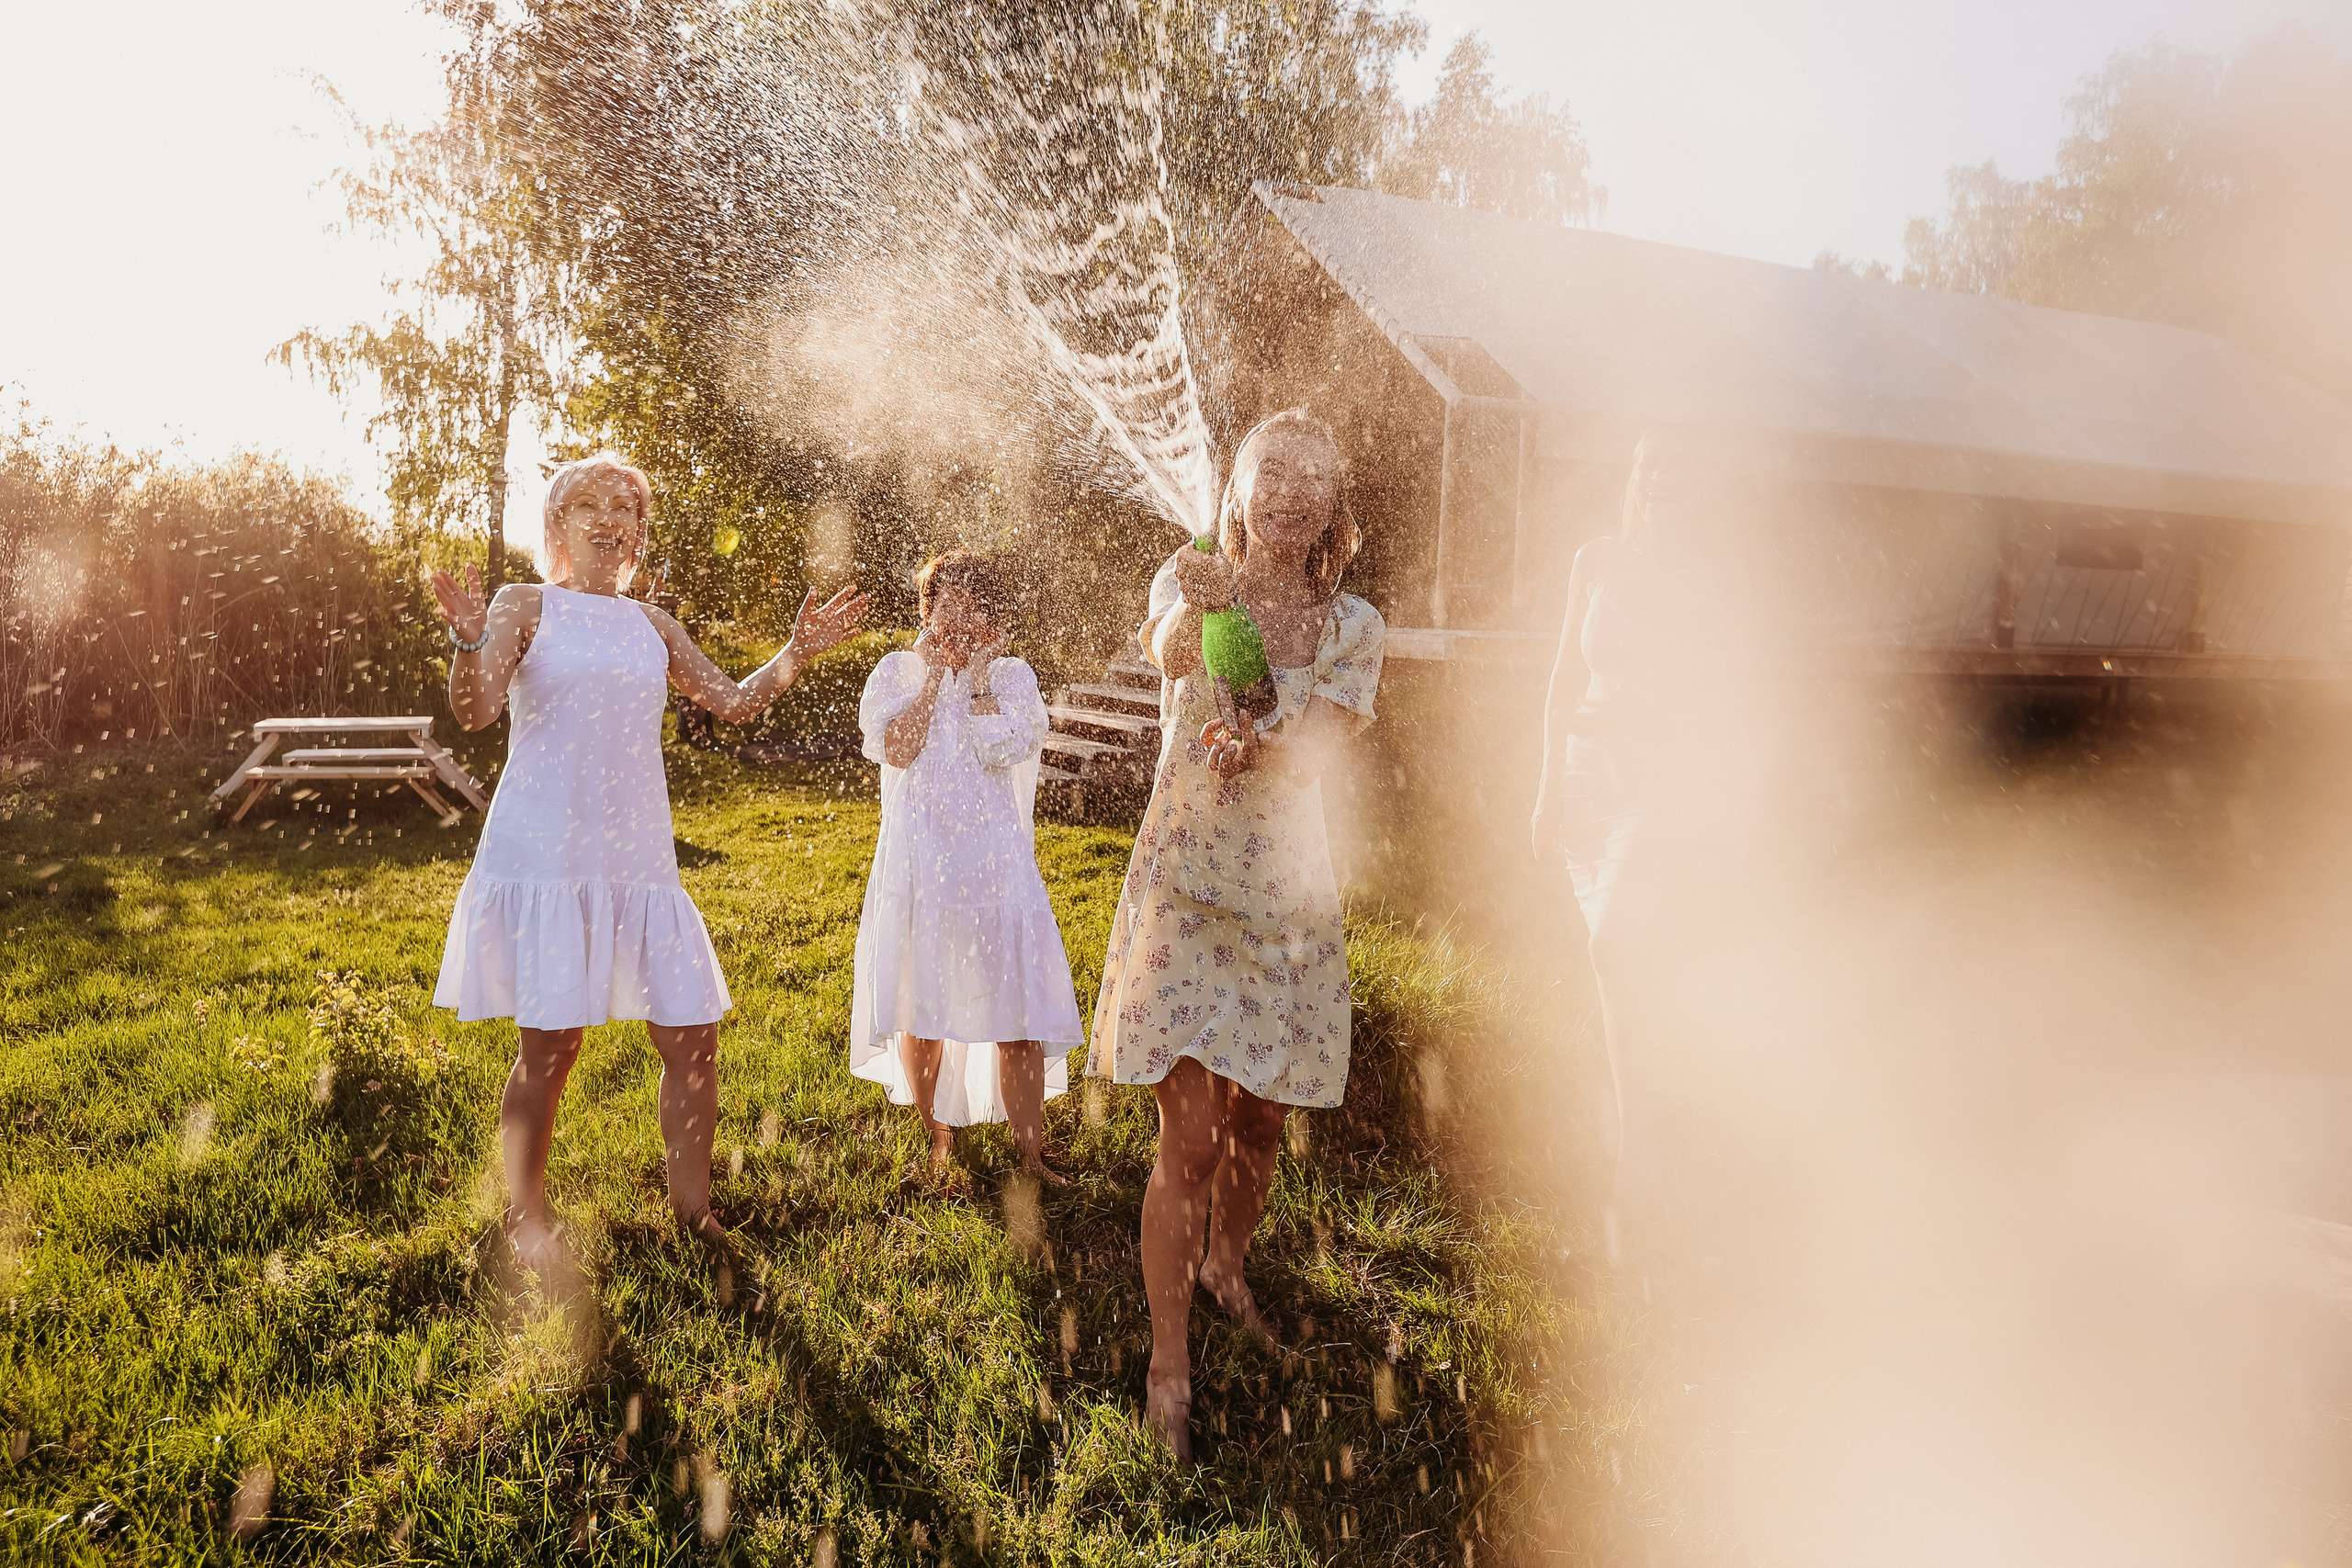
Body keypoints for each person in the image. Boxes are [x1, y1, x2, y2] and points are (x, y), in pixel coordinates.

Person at [428, 453, 869, 1273]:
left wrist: (796, 653)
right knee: (551, 1047)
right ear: (557, 526)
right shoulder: (524, 603)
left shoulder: (652, 626)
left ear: (638, 536)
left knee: (694, 1036)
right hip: (551, 858)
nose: (612, 517)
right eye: (590, 503)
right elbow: (476, 710)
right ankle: (526, 1212)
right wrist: (465, 641)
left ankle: (694, 1213)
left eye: (627, 508)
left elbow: (732, 700)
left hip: (638, 860)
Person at [1089, 408, 1385, 1461]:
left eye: (1315, 475)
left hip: (1288, 909)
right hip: (1188, 893)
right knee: (1193, 1137)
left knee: (1259, 1124)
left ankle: (1227, 1267)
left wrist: (1256, 751)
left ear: (1334, 505)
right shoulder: (1193, 573)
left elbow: (1311, 752)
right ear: (1241, 488)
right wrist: (1195, 611)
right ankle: (1169, 1360)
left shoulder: (1353, 626)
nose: (1293, 491)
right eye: (1274, 472)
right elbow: (1166, 647)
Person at [1529, 430, 1720, 1264]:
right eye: (1652, 467)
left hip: (1657, 781)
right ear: (1635, 480)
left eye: (1680, 469)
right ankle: (1641, 1120)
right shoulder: (1594, 559)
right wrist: (1543, 792)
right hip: (1584, 774)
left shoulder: (1709, 578)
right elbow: (1563, 679)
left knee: (1616, 940)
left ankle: (1647, 1135)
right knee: (1619, 960)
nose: (1663, 481)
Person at [849, 550, 1083, 1183]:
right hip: (923, 866)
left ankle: (1031, 1152)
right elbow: (896, 748)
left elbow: (1002, 745)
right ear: (924, 612)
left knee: (1019, 1014)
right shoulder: (896, 671)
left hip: (995, 868)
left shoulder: (1012, 677)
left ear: (996, 618)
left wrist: (976, 680)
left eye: (973, 604)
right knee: (920, 1008)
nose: (956, 616)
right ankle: (936, 1139)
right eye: (943, 602)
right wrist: (931, 680)